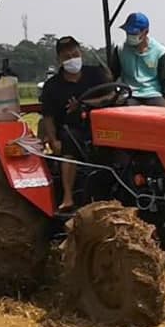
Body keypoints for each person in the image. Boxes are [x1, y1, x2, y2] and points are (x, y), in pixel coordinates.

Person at [39, 36, 110, 211]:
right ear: (59, 60)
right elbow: (47, 116)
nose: (72, 59)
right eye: (67, 56)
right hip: (72, 129)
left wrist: (85, 103)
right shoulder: (52, 86)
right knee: (69, 140)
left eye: (75, 54)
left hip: (101, 126)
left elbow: (110, 96)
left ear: (81, 53)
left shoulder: (95, 74)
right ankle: (68, 197)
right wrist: (53, 140)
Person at [110, 12, 165, 107]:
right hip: (130, 94)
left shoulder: (160, 52)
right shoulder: (120, 50)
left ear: (146, 32)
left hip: (153, 94)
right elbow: (112, 75)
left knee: (160, 111)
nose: (130, 35)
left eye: (134, 33)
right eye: (128, 32)